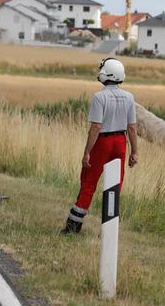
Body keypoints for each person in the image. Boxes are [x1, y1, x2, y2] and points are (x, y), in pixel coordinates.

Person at [62, 58, 139, 235]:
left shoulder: (99, 97)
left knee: (89, 183)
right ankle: (109, 230)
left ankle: (73, 227)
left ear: (106, 74)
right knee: (115, 185)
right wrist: (134, 152)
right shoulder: (129, 97)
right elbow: (132, 128)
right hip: (120, 142)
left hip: (102, 142)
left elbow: (96, 127)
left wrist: (87, 152)